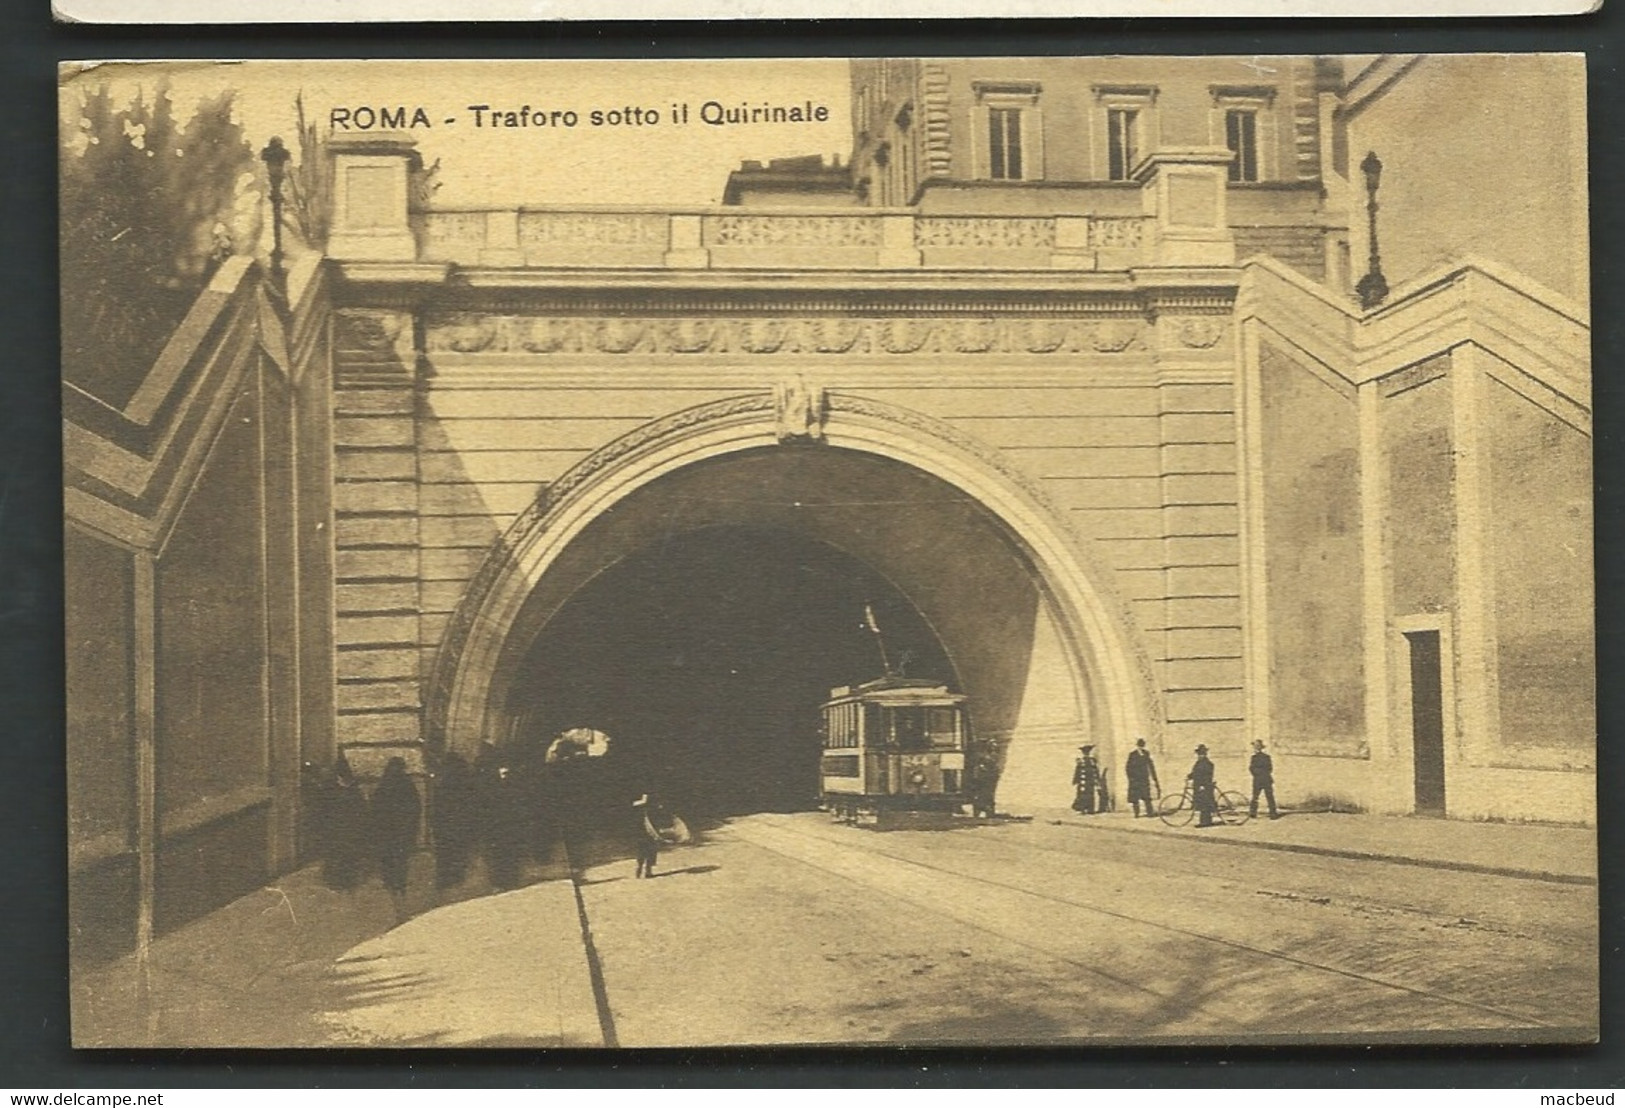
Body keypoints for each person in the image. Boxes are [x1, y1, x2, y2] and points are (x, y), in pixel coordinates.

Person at [372, 757, 422, 914]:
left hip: (387, 835)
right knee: (401, 864)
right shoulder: (408, 786)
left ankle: (395, 896)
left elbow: (375, 811)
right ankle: (400, 894)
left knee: (389, 865)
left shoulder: (383, 786)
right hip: (403, 834)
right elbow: (415, 809)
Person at [1124, 738, 1161, 818]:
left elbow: (1150, 765)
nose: (1141, 746)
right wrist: (1131, 778)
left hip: (1144, 778)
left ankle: (1149, 813)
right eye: (1140, 745)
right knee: (1135, 798)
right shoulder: (1132, 754)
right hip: (1135, 779)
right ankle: (1136, 813)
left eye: (1142, 745)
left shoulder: (1146, 753)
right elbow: (1128, 767)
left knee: (1146, 796)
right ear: (1137, 745)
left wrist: (1154, 777)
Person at [632, 793, 662, 878]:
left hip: (644, 834)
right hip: (643, 834)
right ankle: (644, 869)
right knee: (647, 851)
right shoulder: (643, 814)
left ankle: (644, 869)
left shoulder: (650, 813)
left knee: (646, 851)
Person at [1249, 740, 1280, 820]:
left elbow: (1269, 768)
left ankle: (1272, 813)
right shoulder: (1254, 757)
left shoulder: (1266, 757)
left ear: (1261, 747)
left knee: (1269, 796)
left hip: (1264, 779)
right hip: (1259, 779)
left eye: (1258, 746)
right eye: (1255, 746)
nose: (1256, 748)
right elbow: (1251, 768)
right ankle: (1253, 812)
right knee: (1256, 797)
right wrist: (1257, 773)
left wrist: (1258, 773)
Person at [1187, 744, 1217, 827]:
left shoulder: (1207, 763)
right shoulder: (1199, 762)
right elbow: (1196, 773)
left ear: (1204, 754)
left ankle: (1205, 822)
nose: (1200, 755)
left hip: (1204, 786)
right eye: (1199, 754)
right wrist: (1190, 776)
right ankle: (1205, 821)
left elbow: (1207, 776)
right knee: (1201, 804)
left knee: (1205, 804)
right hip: (1199, 786)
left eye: (1201, 754)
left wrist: (1203, 785)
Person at [1071, 745, 1101, 815]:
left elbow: (1095, 771)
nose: (1086, 754)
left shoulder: (1092, 761)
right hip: (1083, 781)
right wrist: (1075, 780)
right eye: (1085, 752)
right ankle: (1082, 809)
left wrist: (1097, 781)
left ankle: (1090, 809)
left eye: (1087, 752)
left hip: (1090, 781)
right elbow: (1077, 771)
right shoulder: (1081, 761)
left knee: (1090, 795)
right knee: (1082, 795)